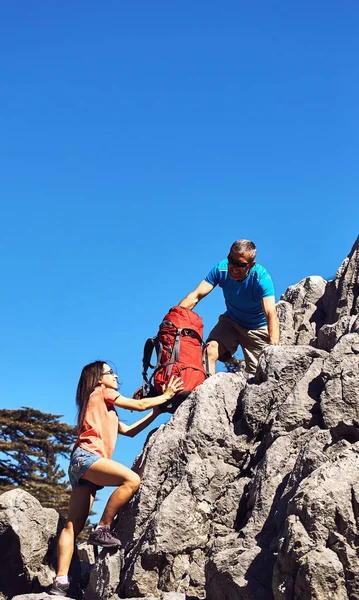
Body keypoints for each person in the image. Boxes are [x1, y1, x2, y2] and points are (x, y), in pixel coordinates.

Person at [50, 361, 183, 597]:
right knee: (131, 480)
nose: (115, 376)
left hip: (79, 464)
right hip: (88, 458)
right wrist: (166, 396)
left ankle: (60, 581)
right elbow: (139, 404)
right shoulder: (102, 391)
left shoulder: (101, 404)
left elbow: (130, 430)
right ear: (99, 378)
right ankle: (102, 528)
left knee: (72, 525)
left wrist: (156, 412)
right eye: (110, 373)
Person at [178, 239, 280, 375]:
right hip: (231, 322)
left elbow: (270, 313)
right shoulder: (221, 269)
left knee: (259, 376)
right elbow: (196, 296)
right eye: (231, 260)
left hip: (257, 329)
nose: (234, 267)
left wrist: (273, 346)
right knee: (208, 352)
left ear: (251, 265)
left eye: (240, 264)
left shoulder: (261, 278)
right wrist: (174, 317)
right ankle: (208, 394)